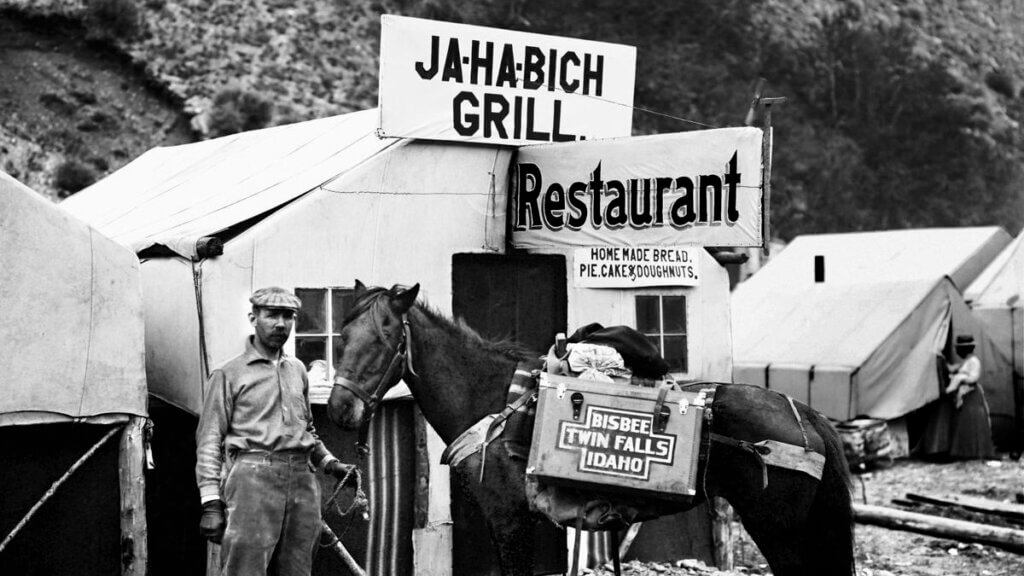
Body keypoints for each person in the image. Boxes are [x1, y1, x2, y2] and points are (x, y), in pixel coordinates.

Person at [195, 286, 354, 576]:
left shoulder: (298, 371)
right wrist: (210, 502)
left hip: (303, 480)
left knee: (298, 569)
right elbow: (209, 440)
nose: (281, 324)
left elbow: (307, 429)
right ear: (253, 318)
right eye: (271, 315)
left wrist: (331, 464)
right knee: (245, 569)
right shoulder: (228, 374)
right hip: (252, 479)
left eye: (288, 316)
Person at [945, 334, 996, 460]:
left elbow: (973, 378)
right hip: (965, 395)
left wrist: (960, 378)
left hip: (971, 394)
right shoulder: (966, 362)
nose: (957, 351)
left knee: (972, 422)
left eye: (959, 349)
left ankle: (973, 451)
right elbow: (954, 369)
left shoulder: (974, 362)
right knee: (965, 422)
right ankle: (966, 451)